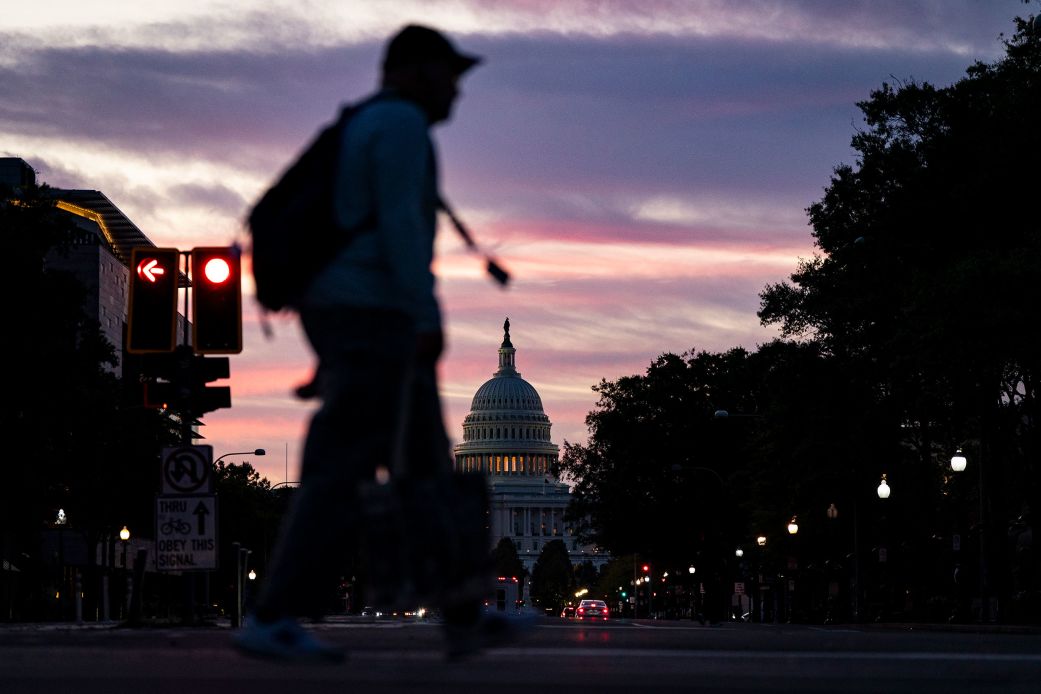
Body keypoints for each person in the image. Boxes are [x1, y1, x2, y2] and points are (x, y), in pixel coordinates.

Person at [235, 24, 518, 662]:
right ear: (416, 71)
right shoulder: (399, 127)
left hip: (358, 309)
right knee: (343, 463)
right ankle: (274, 612)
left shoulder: (372, 124)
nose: (457, 92)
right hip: (371, 313)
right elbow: (400, 231)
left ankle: (465, 615)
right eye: (451, 76)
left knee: (425, 465)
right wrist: (424, 316)